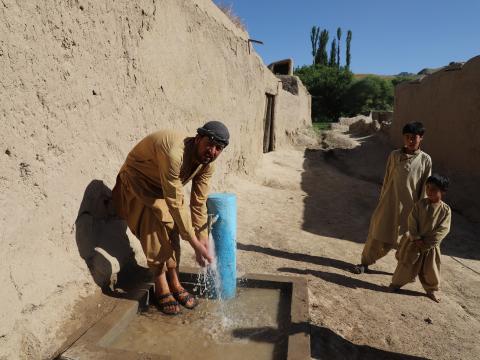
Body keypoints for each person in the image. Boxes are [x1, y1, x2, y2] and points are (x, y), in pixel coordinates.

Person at [112, 121, 229, 315]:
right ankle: (160, 284)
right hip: (137, 180)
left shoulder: (207, 165)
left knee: (174, 227)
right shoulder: (175, 152)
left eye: (219, 148)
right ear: (198, 138)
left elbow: (198, 203)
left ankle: (174, 281)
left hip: (162, 188)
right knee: (153, 230)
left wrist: (202, 239)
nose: (213, 151)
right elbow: (175, 200)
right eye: (210, 143)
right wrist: (193, 242)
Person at [352, 122, 432, 274]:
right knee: (377, 234)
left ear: (421, 138)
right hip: (388, 204)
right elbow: (387, 178)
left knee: (407, 241)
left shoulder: (425, 160)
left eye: (413, 137)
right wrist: (382, 200)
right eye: (407, 137)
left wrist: (422, 212)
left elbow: (425, 189)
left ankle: (404, 272)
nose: (410, 140)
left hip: (409, 209)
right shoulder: (394, 155)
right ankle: (365, 263)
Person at [389, 174, 451, 302]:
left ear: (443, 191)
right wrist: (416, 238)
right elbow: (412, 221)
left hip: (431, 247)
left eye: (433, 189)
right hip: (414, 243)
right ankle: (396, 284)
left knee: (431, 270)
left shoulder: (446, 210)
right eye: (427, 187)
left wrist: (427, 243)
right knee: (406, 264)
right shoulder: (420, 205)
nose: (429, 191)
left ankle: (431, 290)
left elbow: (443, 229)